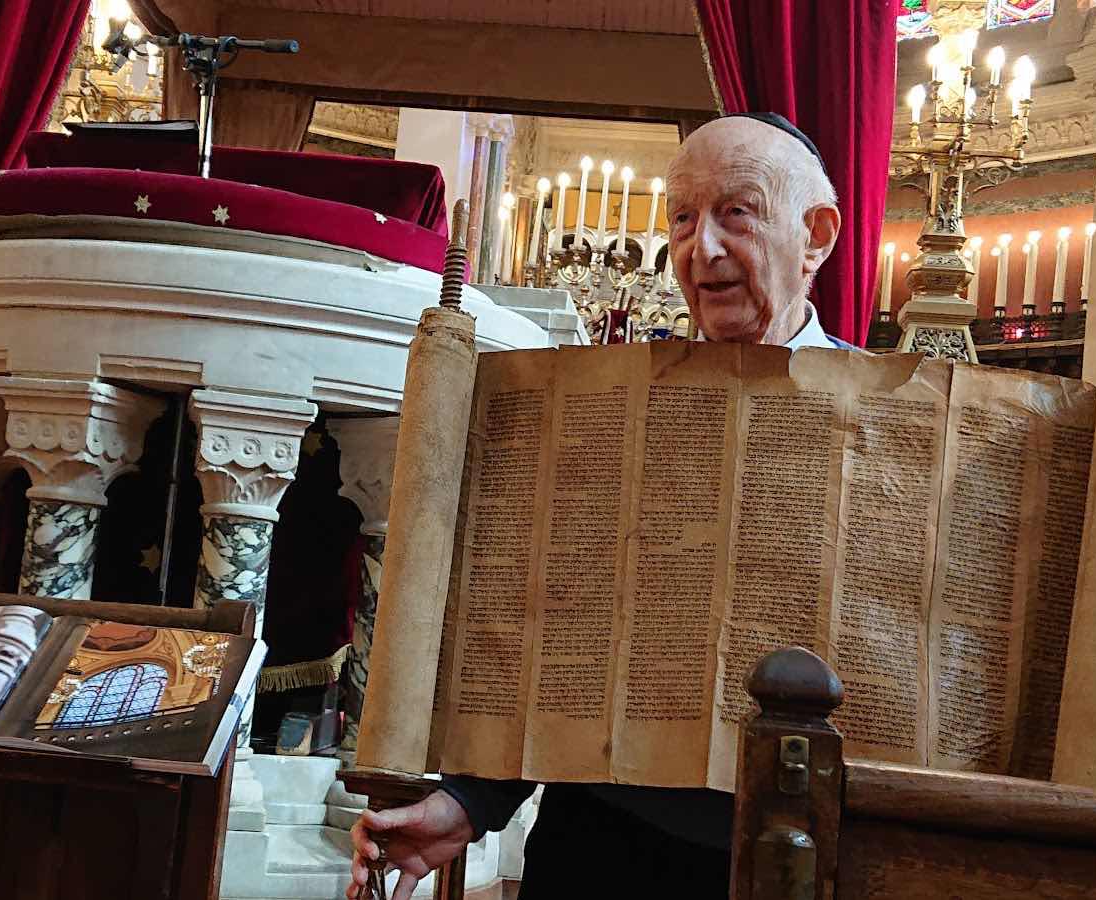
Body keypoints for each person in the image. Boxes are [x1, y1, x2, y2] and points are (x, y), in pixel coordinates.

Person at [346, 113, 849, 900]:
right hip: (603, 841)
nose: (700, 249)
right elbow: (551, 624)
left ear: (816, 235)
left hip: (813, 857)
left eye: (736, 213)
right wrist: (467, 803)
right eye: (682, 217)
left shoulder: (890, 419)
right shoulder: (607, 404)